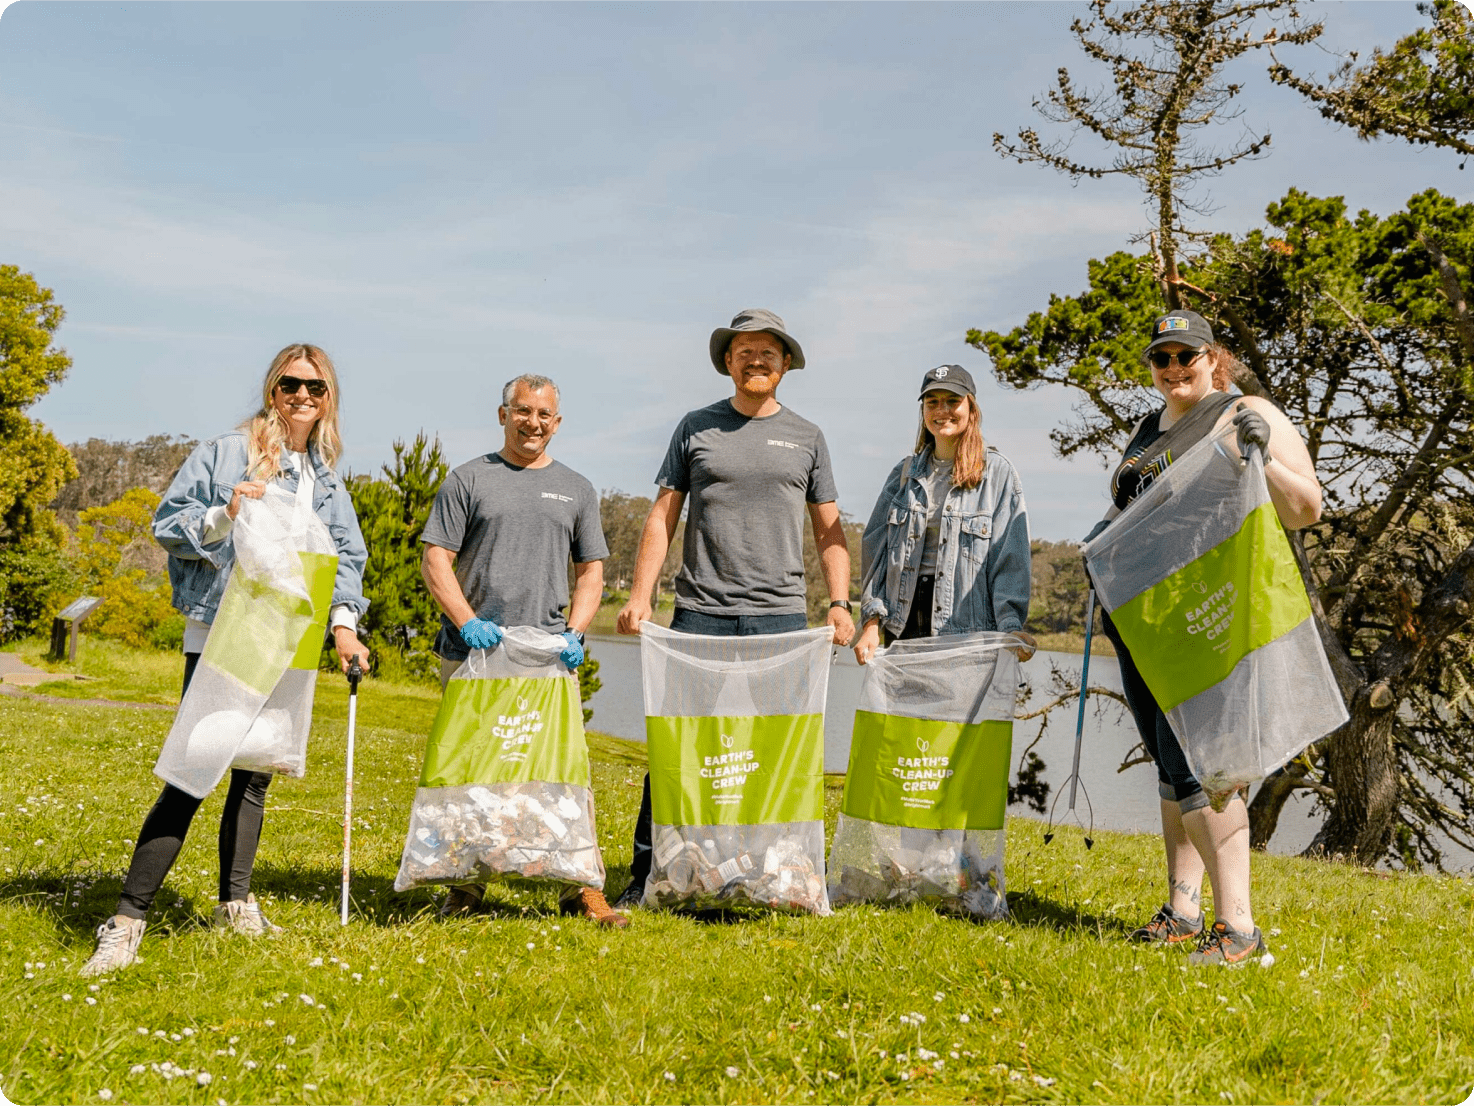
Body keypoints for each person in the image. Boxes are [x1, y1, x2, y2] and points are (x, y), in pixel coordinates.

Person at [82, 343, 371, 977]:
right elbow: (168, 524)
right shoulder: (225, 452)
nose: (302, 397)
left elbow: (347, 559)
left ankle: (234, 904)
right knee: (195, 765)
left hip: (289, 638)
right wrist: (225, 511)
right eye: (291, 384)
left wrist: (345, 627)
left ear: (329, 400)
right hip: (224, 628)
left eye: (315, 388)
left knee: (256, 772)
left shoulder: (324, 475)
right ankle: (127, 919)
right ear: (273, 389)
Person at [1085, 309, 1323, 965]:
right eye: (1160, 359)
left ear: (1211, 357)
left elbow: (1307, 507)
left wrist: (1260, 457)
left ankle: (1239, 931)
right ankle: (1183, 911)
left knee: (1208, 767)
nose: (1172, 369)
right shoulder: (1147, 428)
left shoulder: (1244, 411)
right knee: (1171, 767)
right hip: (1144, 620)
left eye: (1185, 356)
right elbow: (1129, 506)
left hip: (1208, 617)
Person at [612, 308, 856, 910]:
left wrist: (841, 602)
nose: (755, 360)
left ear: (785, 366)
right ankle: (650, 872)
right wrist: (642, 595)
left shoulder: (807, 436)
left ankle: (791, 871)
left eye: (767, 353)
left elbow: (829, 529)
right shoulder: (697, 427)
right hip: (700, 612)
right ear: (728, 361)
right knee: (680, 746)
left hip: (780, 617)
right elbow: (663, 515)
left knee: (782, 750)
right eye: (744, 350)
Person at [419, 373, 625, 927]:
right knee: (473, 774)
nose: (532, 423)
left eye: (543, 415)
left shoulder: (576, 488)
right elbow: (435, 559)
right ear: (503, 413)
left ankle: (578, 886)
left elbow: (591, 571)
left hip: (544, 657)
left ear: (556, 423)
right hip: (474, 654)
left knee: (558, 773)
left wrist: (577, 632)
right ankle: (466, 887)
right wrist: (466, 624)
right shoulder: (468, 479)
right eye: (522, 411)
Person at [853, 364, 1034, 662]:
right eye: (932, 401)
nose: (942, 410)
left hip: (966, 631)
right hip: (903, 625)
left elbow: (1010, 558)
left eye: (952, 401)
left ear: (971, 408)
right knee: (901, 710)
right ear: (923, 411)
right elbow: (877, 552)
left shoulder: (999, 473)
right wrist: (872, 622)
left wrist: (1010, 626)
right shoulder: (904, 474)